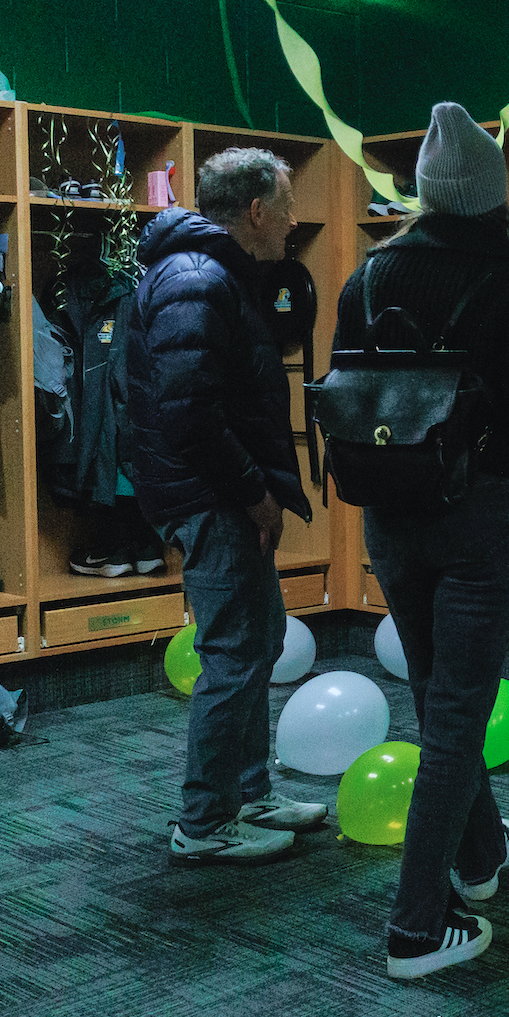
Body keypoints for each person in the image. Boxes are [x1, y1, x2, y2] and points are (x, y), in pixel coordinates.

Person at [333, 102, 509, 977]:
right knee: (454, 711)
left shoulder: (366, 276)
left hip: (388, 514)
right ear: (492, 197)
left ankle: (476, 860)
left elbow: (343, 394)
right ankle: (414, 925)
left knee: (441, 693)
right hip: (479, 513)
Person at [126, 147, 327, 866]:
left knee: (259, 636)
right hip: (211, 495)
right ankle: (206, 820)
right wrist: (253, 494)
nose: (295, 219)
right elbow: (188, 414)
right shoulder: (198, 277)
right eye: (288, 202)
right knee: (234, 653)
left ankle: (247, 789)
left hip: (217, 491)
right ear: (254, 211)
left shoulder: (210, 274)